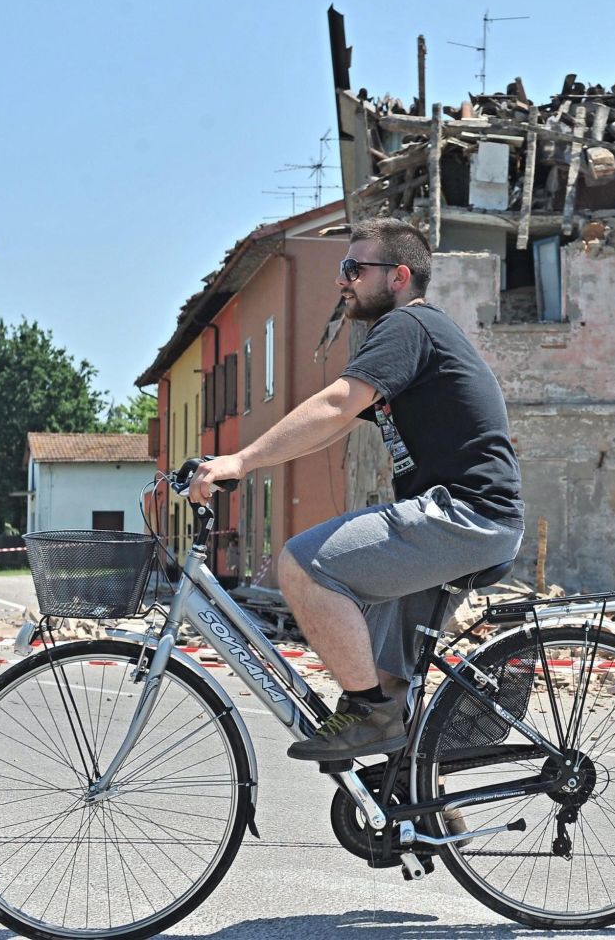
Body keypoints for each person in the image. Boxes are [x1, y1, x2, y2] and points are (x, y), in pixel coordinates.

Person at [189, 217, 524, 762]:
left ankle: (371, 714)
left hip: (463, 515)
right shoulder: (409, 338)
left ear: (397, 276)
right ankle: (425, 816)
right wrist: (243, 464)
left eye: (352, 269)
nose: (342, 281)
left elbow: (336, 404)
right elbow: (335, 424)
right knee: (391, 682)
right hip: (458, 521)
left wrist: (241, 460)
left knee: (303, 565)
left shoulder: (408, 326)